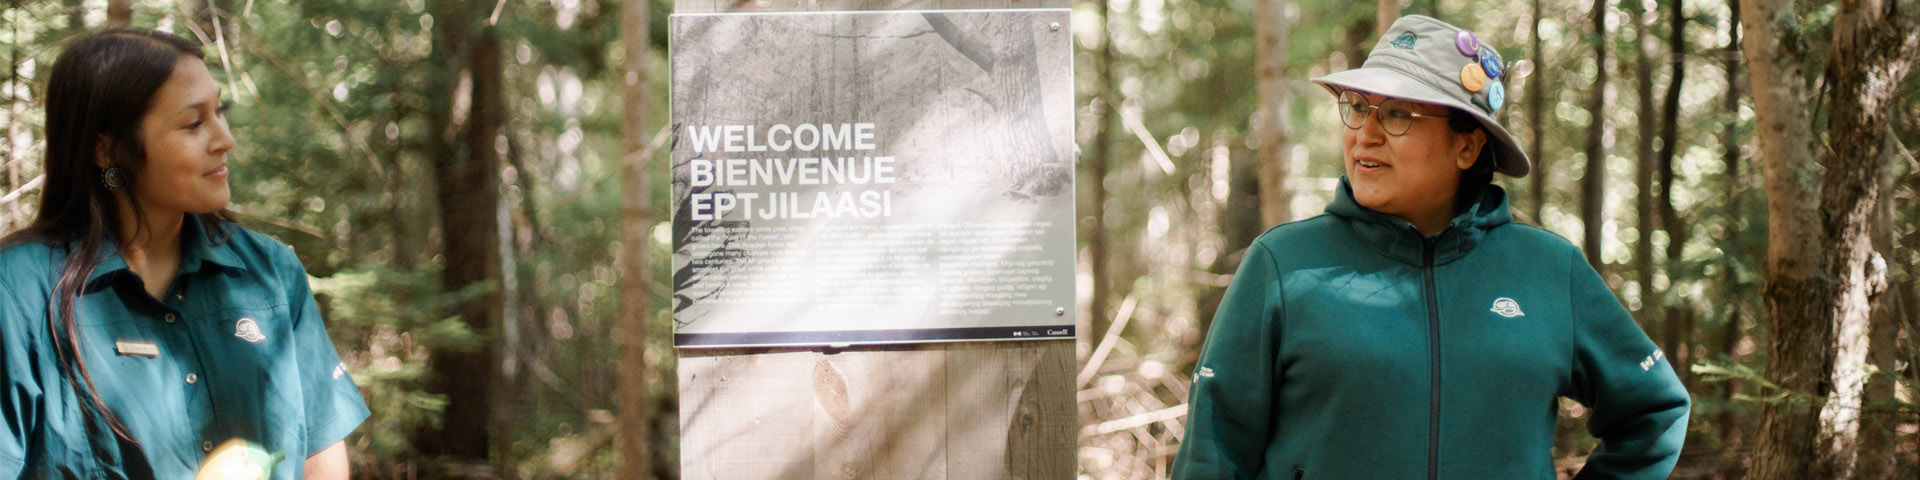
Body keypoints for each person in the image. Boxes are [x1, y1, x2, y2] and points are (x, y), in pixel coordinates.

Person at [1172, 15, 1689, 479]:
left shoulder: (1550, 270)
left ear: (1468, 145)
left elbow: (1654, 410)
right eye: (1357, 108)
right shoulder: (1283, 265)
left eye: (1397, 115)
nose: (1365, 135)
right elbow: (1212, 454)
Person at [0, 27, 368, 478]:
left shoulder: (271, 272)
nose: (224, 139)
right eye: (194, 123)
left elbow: (322, 458)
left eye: (220, 112)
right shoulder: (18, 294)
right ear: (107, 149)